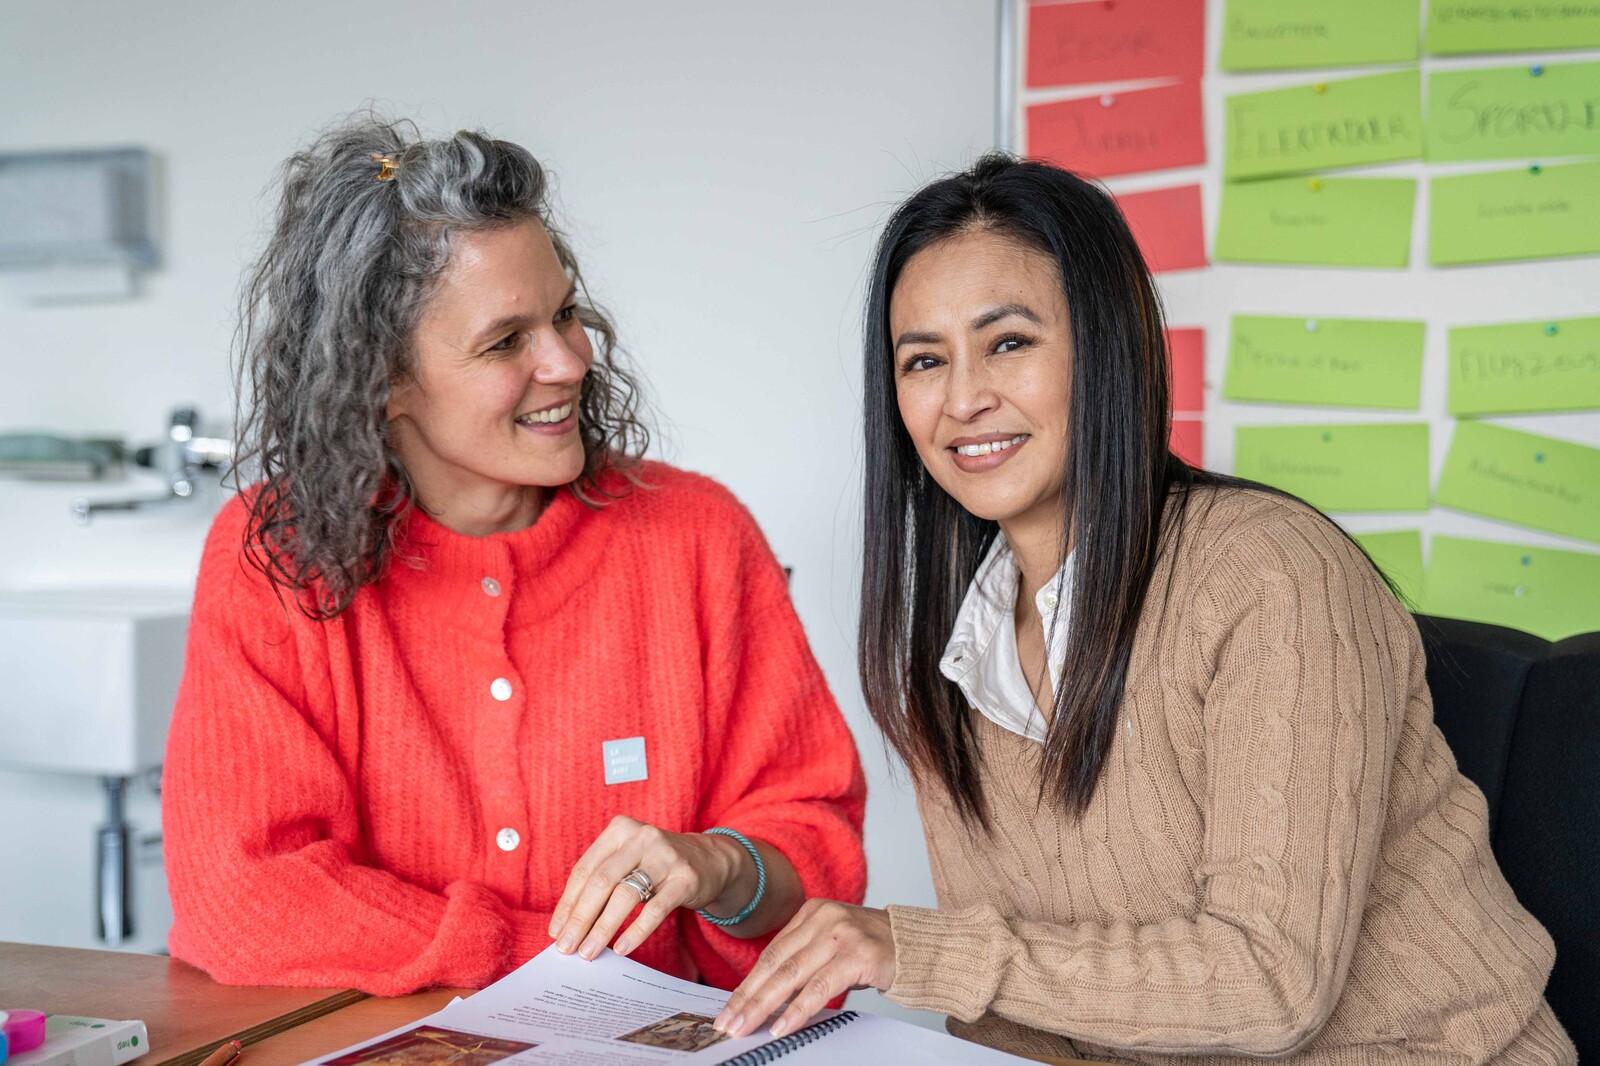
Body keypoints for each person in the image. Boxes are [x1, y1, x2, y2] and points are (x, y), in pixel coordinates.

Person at [715, 156, 1575, 1066]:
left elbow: (1273, 981)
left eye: (1008, 342)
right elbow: (1010, 1013)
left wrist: (912, 948)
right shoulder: (954, 646)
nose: (963, 399)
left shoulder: (1268, 574)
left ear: (1107, 345)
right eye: (923, 360)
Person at [162, 117, 866, 996]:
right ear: (377, 378)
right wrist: (553, 961)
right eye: (506, 342)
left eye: (565, 314)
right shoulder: (275, 555)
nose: (569, 360)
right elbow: (245, 894)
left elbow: (818, 846)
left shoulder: (698, 535)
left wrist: (720, 865)